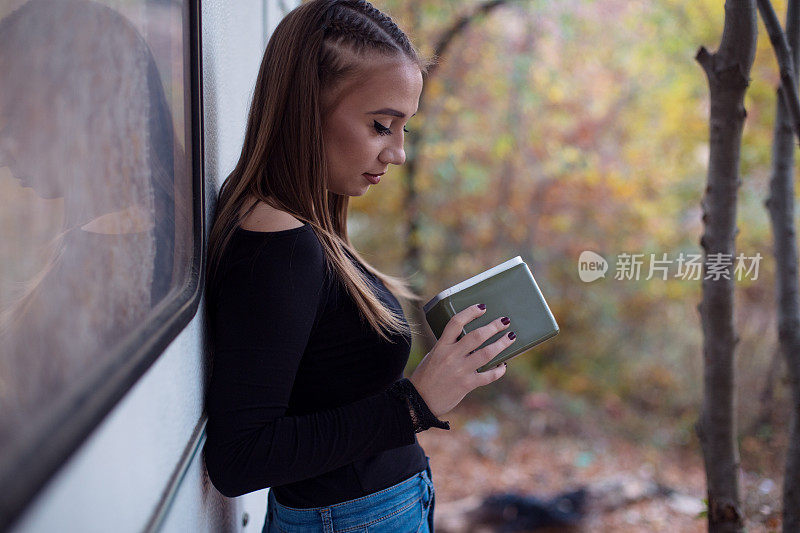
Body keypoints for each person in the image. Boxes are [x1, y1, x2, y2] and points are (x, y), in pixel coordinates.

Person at [202, 1, 516, 531]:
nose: (396, 153)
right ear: (307, 108)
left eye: (404, 129)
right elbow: (239, 457)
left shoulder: (302, 219)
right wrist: (415, 404)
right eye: (380, 126)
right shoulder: (279, 242)